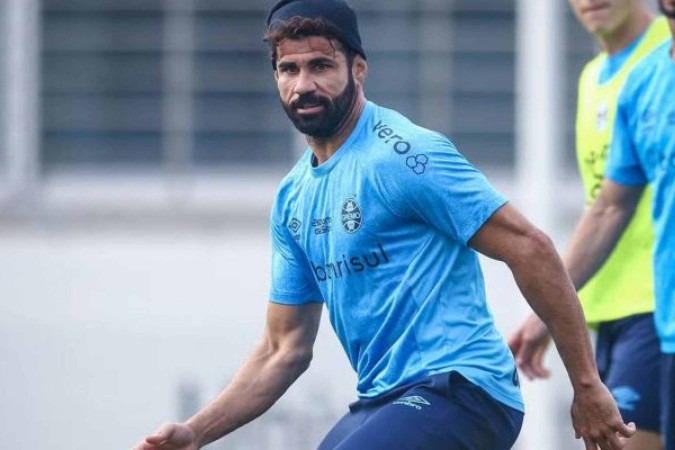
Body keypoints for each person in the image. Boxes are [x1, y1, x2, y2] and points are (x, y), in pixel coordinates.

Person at [132, 1, 635, 449]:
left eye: (321, 66)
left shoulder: (405, 155)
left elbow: (531, 247)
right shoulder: (293, 198)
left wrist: (586, 385)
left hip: (463, 389)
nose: (303, 84)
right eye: (288, 69)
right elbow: (282, 349)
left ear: (359, 68)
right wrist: (196, 432)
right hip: (382, 398)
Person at [511, 0, 675, 448]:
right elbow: (606, 206)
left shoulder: (665, 48)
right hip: (607, 310)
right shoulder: (598, 78)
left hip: (653, 307)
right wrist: (551, 306)